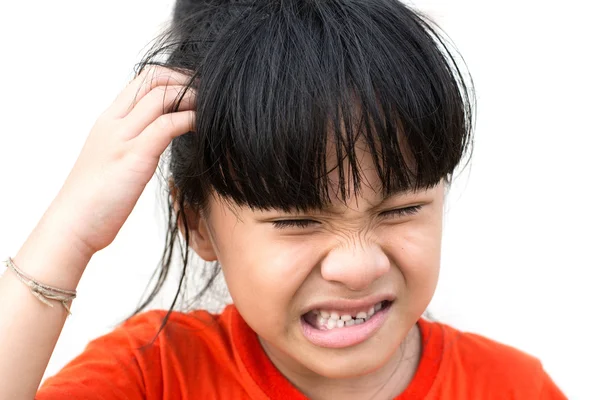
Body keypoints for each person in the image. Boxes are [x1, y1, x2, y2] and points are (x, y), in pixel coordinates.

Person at [0, 0, 567, 399]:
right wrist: (67, 236)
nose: (357, 265)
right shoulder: (153, 379)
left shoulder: (515, 388)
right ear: (197, 222)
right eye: (297, 219)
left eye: (400, 210)